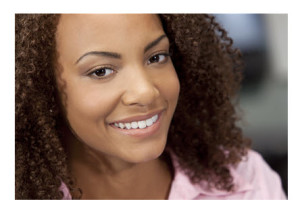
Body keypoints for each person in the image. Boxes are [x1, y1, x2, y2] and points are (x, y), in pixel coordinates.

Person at [15, 14, 286, 200]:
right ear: (41, 89)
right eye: (101, 71)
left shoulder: (246, 180)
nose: (145, 91)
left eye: (156, 57)